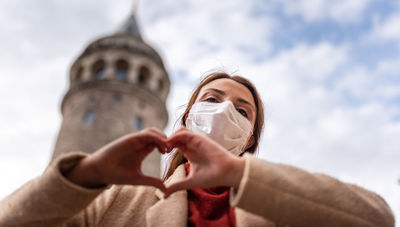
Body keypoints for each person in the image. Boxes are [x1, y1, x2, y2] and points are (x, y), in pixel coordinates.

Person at [0, 72, 395, 227]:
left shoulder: (277, 202)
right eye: (212, 99)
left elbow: (375, 219)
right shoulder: (122, 200)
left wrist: (240, 174)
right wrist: (84, 175)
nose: (225, 111)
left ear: (249, 140)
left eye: (242, 111)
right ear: (187, 116)